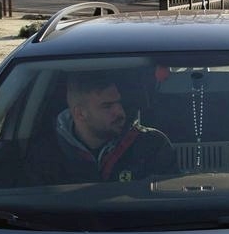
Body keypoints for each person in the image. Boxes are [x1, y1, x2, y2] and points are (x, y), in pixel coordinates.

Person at [24, 71, 177, 184]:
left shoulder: (152, 145)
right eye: (107, 106)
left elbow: (172, 202)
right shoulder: (46, 153)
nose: (120, 112)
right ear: (80, 114)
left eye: (118, 103)